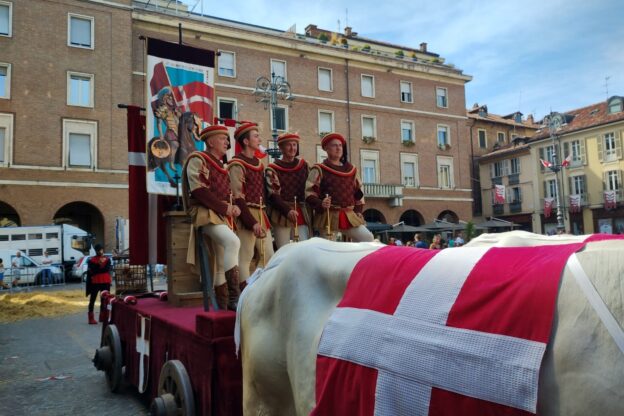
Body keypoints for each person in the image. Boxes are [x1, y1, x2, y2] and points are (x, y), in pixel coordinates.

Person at [182, 124, 242, 311]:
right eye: (222, 138)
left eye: (226, 138)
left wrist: (231, 208)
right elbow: (198, 190)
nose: (227, 142)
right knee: (233, 242)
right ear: (210, 141)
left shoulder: (222, 166)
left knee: (220, 260)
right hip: (204, 213)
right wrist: (226, 208)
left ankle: (224, 305)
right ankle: (234, 297)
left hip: (219, 214)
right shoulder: (198, 159)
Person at [228, 122, 274, 287]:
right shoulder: (236, 164)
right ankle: (244, 294)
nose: (259, 139)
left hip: (261, 213)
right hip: (245, 213)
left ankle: (256, 287)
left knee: (268, 255)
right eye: (255, 136)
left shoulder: (259, 164)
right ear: (246, 141)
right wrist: (251, 222)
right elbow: (237, 195)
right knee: (245, 256)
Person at [305, 133, 374, 242]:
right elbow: (309, 192)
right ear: (326, 149)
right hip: (328, 216)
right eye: (334, 145)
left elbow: (359, 193)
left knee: (368, 238)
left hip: (349, 215)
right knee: (328, 249)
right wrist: (320, 203)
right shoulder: (319, 169)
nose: (338, 148)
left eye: (340, 145)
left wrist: (358, 211)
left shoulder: (352, 170)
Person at [266, 132, 311, 249]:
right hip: (281, 212)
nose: (292, 148)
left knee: (304, 247)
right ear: (281, 148)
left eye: (295, 145)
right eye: (289, 145)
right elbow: (273, 195)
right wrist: (287, 210)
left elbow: (311, 188)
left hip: (300, 211)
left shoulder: (304, 165)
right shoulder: (272, 169)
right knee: (283, 250)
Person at [85, 244, 112, 325]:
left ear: (103, 250)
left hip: (105, 281)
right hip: (96, 282)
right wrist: (99, 265)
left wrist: (97, 267)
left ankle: (102, 316)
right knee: (92, 299)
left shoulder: (107, 259)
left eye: (101, 250)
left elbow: (106, 269)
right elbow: (92, 271)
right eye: (98, 250)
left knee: (104, 300)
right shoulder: (91, 260)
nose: (100, 251)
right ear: (96, 251)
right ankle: (91, 318)